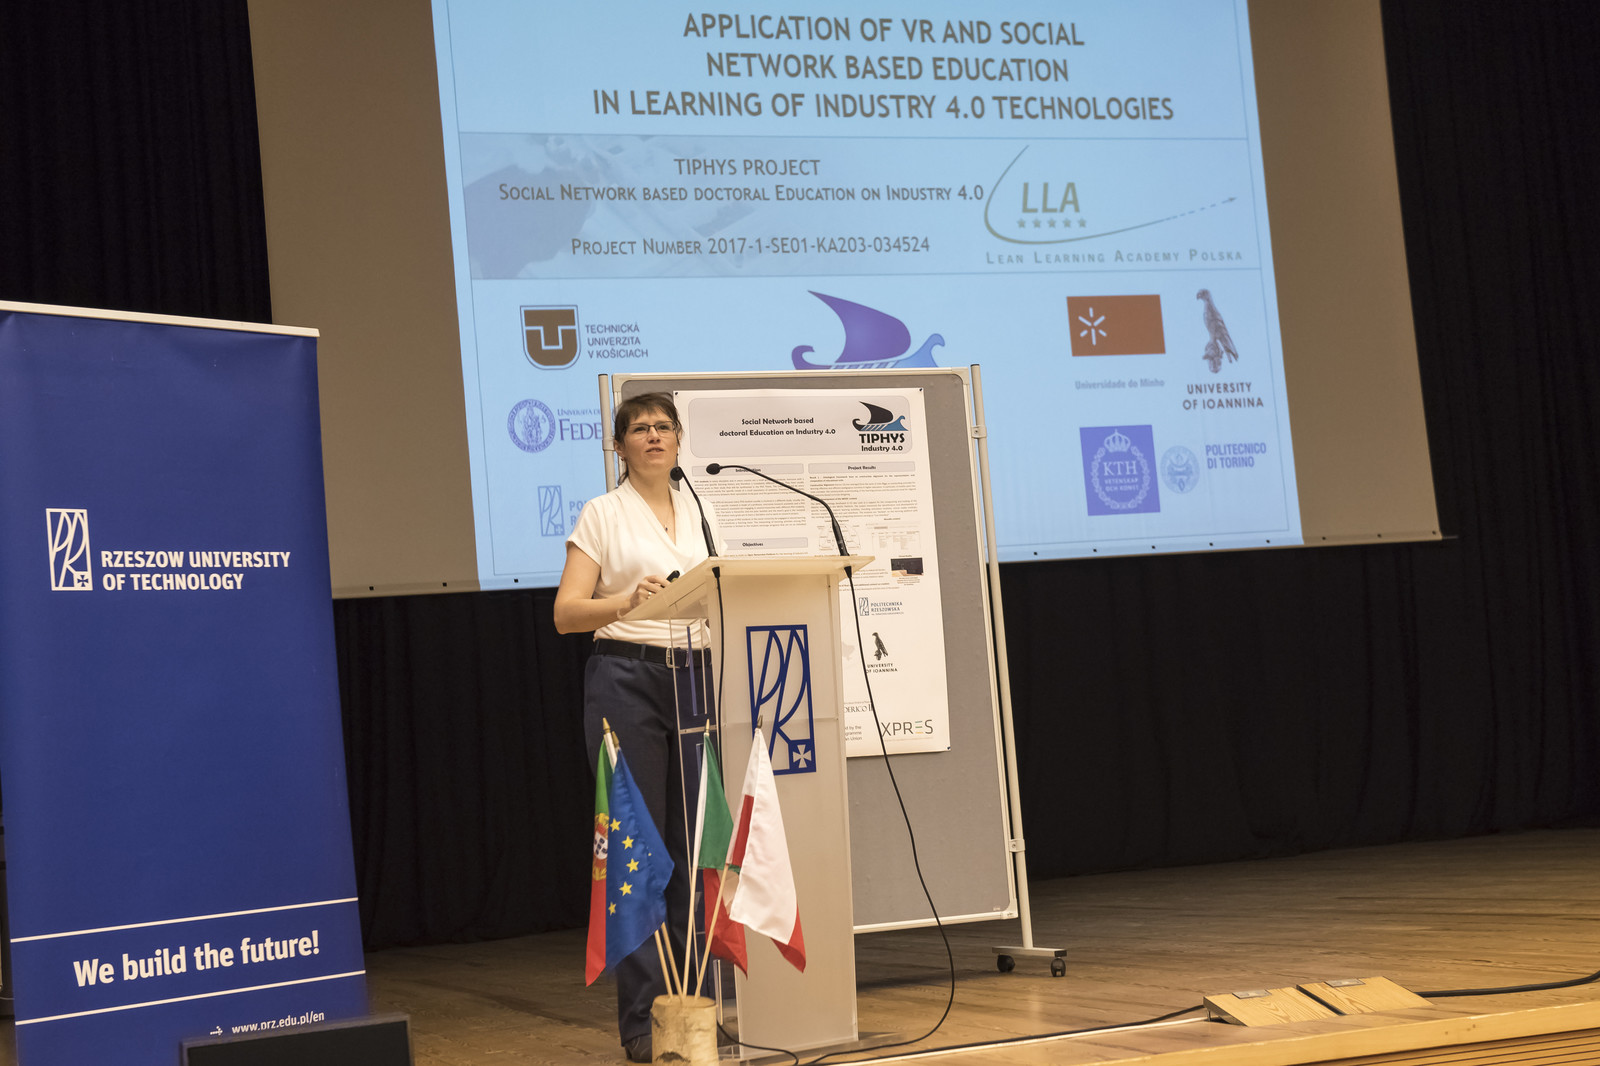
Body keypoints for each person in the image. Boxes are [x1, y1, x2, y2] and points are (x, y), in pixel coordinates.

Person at [554, 392, 717, 1062]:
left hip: (697, 678)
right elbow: (566, 614)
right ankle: (647, 1026)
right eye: (640, 428)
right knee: (639, 850)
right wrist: (625, 601)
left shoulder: (703, 509)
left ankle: (700, 1014)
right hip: (626, 679)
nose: (653, 436)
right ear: (619, 446)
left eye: (663, 427)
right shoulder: (602, 513)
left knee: (696, 847)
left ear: (678, 439)